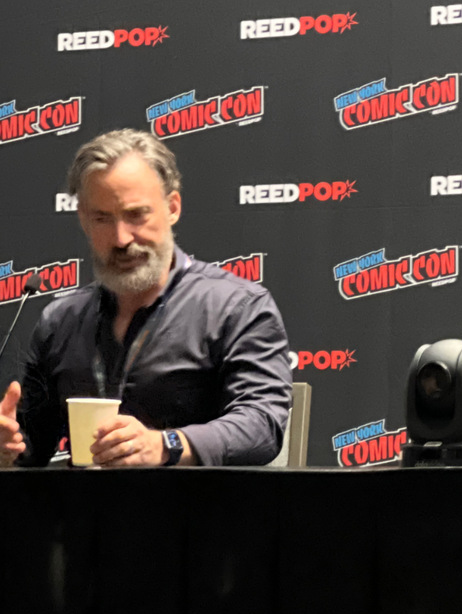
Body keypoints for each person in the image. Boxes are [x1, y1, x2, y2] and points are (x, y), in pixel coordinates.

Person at [0, 129, 292, 468]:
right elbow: (32, 445)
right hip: (80, 517)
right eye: (102, 218)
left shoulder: (238, 308)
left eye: (136, 214)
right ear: (82, 219)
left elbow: (263, 426)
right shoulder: (60, 320)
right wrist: (10, 445)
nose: (122, 238)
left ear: (172, 207)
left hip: (195, 516)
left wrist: (166, 445)